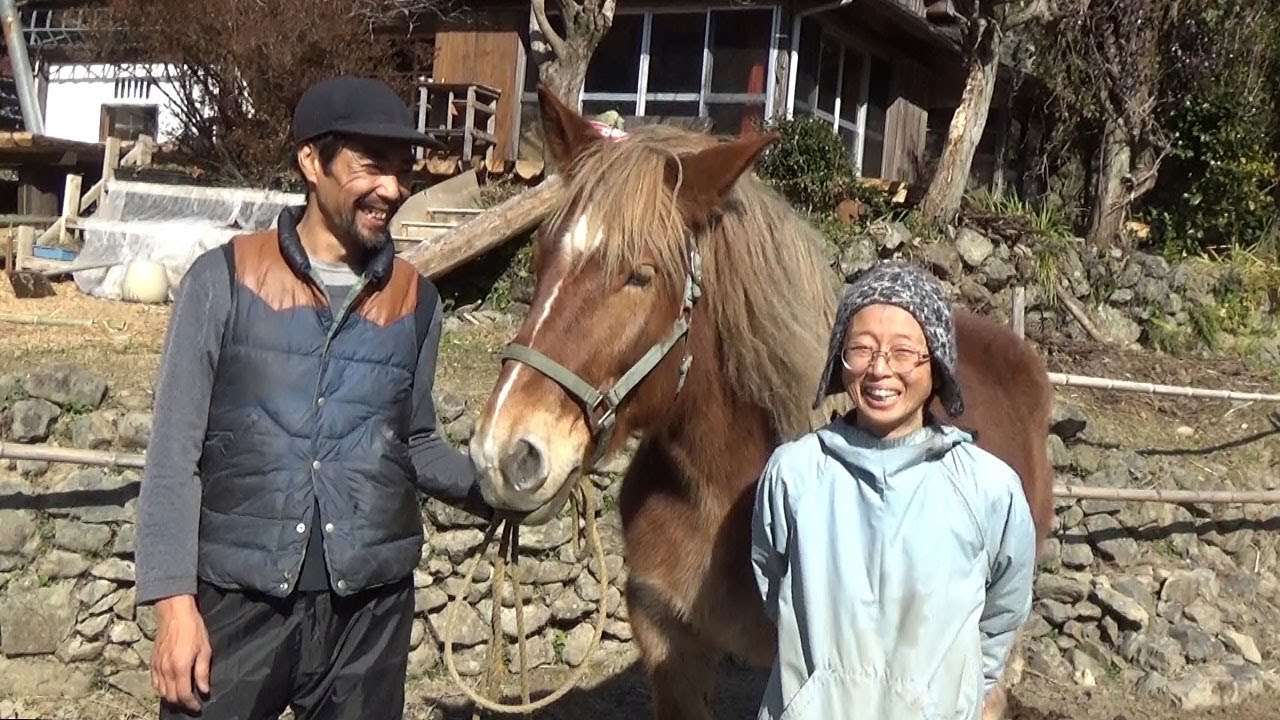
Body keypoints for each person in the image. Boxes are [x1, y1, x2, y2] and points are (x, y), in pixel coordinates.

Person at [135, 76, 491, 720]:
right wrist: (173, 605)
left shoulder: (417, 301)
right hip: (237, 606)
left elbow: (413, 442)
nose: (393, 187)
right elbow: (172, 458)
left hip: (369, 614)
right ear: (310, 162)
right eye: (371, 166)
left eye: (403, 169)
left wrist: (498, 489)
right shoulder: (224, 280)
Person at [750, 261, 1036, 720]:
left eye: (904, 352)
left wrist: (954, 695)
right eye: (860, 349)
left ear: (936, 363)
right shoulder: (796, 474)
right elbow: (772, 584)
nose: (880, 369)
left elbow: (1003, 609)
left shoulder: (987, 488)